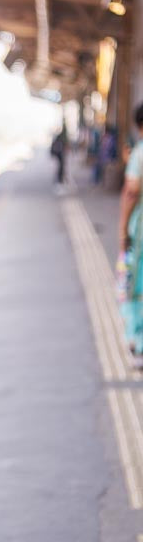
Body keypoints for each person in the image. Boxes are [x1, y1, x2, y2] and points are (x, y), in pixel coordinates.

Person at [118, 103, 143, 367]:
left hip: (141, 233)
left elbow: (132, 191)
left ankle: (138, 344)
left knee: (136, 285)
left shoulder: (139, 153)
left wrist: (122, 229)